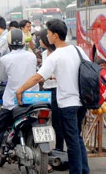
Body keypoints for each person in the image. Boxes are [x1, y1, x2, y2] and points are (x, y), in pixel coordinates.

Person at [16, 19, 90, 174]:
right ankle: (84, 170)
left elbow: (38, 77)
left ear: (55, 35)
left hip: (68, 104)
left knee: (72, 141)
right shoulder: (78, 50)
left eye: (48, 33)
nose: (47, 36)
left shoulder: (55, 56)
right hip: (82, 102)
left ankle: (77, 171)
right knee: (78, 137)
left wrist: (20, 89)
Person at [0, 29, 39, 174]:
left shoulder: (5, 59)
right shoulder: (32, 56)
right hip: (33, 100)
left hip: (13, 102)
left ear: (9, 44)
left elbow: (1, 79)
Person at [38, 28, 64, 152]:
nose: (39, 40)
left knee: (57, 122)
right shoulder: (44, 54)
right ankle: (44, 149)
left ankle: (59, 148)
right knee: (42, 120)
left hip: (56, 89)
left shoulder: (58, 54)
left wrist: (51, 76)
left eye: (42, 38)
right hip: (46, 90)